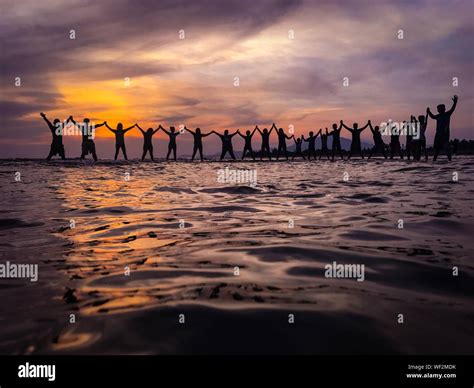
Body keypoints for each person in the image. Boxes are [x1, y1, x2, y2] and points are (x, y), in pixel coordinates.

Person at [428, 95, 458, 161]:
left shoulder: (447, 114)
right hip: (438, 134)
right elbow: (432, 116)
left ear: (444, 109)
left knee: (446, 147)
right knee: (437, 150)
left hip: (445, 134)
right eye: (438, 109)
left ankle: (450, 160)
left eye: (440, 109)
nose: (439, 110)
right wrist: (429, 112)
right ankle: (434, 160)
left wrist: (455, 103)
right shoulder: (438, 116)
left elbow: (452, 109)